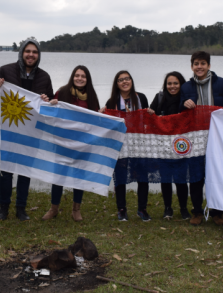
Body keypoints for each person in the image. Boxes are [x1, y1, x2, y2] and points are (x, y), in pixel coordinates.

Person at [0, 38, 54, 221]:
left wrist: (46, 99)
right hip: (7, 127)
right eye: (28, 51)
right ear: (21, 52)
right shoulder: (5, 70)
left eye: (34, 52)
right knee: (6, 169)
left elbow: (49, 104)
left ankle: (21, 208)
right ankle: (3, 208)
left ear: (38, 55)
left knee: (25, 169)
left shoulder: (44, 76)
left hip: (31, 129)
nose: (31, 55)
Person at [179, 51, 223, 226]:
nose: (199, 67)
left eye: (203, 63)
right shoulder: (186, 87)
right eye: (196, 63)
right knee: (196, 176)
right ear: (192, 66)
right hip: (196, 137)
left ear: (209, 65)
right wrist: (184, 104)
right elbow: (181, 111)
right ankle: (196, 211)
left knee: (217, 175)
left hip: (217, 137)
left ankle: (217, 212)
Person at [42, 65, 100, 222]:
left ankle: (76, 209)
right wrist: (51, 105)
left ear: (87, 79)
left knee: (79, 175)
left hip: (82, 143)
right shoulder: (62, 92)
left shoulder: (92, 96)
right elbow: (52, 115)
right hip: (63, 141)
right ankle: (54, 208)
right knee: (58, 175)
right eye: (77, 75)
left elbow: (95, 119)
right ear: (72, 77)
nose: (79, 78)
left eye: (83, 76)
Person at [103, 70, 151, 222]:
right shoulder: (112, 102)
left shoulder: (141, 97)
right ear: (116, 84)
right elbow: (106, 121)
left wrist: (152, 114)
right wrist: (100, 113)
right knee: (121, 176)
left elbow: (147, 120)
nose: (124, 82)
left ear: (131, 80)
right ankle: (122, 209)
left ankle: (142, 209)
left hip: (139, 143)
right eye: (120, 80)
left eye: (127, 79)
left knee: (143, 176)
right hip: (121, 144)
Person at [150, 71, 191, 220]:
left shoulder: (186, 99)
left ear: (181, 84)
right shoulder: (159, 97)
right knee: (165, 178)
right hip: (164, 145)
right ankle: (168, 208)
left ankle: (184, 209)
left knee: (181, 179)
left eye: (175, 83)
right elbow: (151, 117)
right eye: (169, 83)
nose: (172, 86)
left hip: (182, 145)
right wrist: (149, 114)